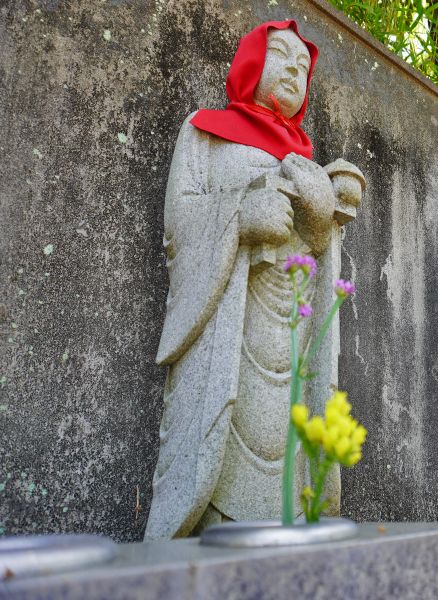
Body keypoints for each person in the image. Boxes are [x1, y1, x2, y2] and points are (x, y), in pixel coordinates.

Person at [145, 21, 361, 539]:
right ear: (249, 64)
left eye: (303, 66)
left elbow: (319, 250)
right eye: (282, 55)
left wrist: (323, 212)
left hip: (291, 334)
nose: (294, 68)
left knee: (287, 461)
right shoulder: (205, 132)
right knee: (215, 463)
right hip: (225, 330)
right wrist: (240, 215)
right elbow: (179, 223)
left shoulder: (305, 161)